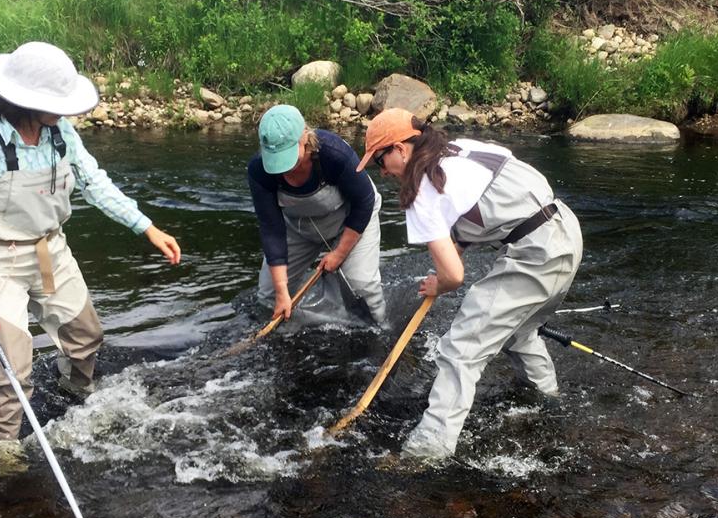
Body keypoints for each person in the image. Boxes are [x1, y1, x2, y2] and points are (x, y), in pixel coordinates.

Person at [0, 42, 181, 469]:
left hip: (51, 248)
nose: (67, 111)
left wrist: (146, 227)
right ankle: (0, 454)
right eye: (56, 103)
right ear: (24, 100)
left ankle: (75, 398)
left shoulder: (61, 133)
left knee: (86, 337)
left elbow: (95, 183)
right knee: (11, 373)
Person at [357, 108, 583, 460]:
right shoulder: (460, 149)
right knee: (520, 333)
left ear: (401, 149)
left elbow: (454, 277)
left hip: (535, 255)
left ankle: (426, 452)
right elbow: (477, 207)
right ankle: (548, 403)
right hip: (565, 230)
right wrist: (455, 252)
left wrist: (439, 285)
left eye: (380, 161)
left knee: (459, 350)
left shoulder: (422, 190)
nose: (382, 172)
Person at [248, 104, 386, 326]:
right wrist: (282, 291)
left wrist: (339, 254)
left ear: (305, 138)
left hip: (351, 219)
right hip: (299, 227)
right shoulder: (258, 170)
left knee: (361, 286)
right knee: (269, 296)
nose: (283, 170)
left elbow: (364, 202)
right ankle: (288, 336)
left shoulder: (334, 154)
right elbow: (271, 228)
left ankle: (379, 331)